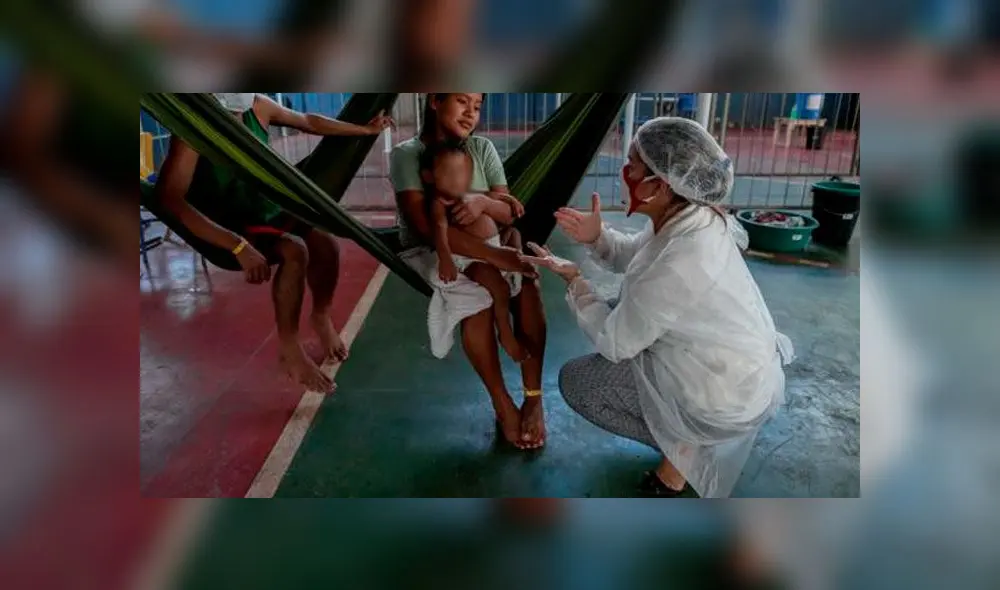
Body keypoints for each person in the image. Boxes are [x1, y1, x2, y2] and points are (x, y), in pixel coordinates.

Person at [523, 117, 794, 497]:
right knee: (620, 306)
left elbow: (615, 341)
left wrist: (574, 280)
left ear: (661, 185)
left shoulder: (683, 259)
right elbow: (633, 255)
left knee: (580, 382)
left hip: (721, 392)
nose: (624, 170)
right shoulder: (687, 217)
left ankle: (685, 448)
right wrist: (596, 237)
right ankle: (687, 436)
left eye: (633, 162)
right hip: (727, 365)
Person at [155, 92, 394, 392]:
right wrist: (236, 246)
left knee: (326, 244)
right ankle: (290, 348)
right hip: (227, 221)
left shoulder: (258, 107)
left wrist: (364, 130)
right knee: (295, 251)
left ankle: (321, 316)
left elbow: (309, 121)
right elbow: (169, 199)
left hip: (262, 207)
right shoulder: (194, 130)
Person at [390, 93, 548, 450]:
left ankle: (534, 397)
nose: (470, 113)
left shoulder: (482, 149)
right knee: (477, 306)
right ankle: (502, 404)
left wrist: (482, 202)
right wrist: (498, 255)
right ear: (434, 101)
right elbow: (425, 228)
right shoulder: (408, 154)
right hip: (437, 250)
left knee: (529, 288)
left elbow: (507, 213)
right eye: (461, 101)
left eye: (477, 106)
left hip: (493, 242)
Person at [420, 139, 528, 362]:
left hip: (494, 245)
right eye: (448, 174)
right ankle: (505, 334)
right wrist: (446, 259)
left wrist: (511, 199)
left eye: (461, 173)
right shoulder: (439, 202)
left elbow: (492, 196)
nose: (456, 179)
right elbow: (439, 231)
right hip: (471, 260)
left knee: (515, 235)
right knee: (499, 287)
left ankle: (518, 265)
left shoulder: (466, 192)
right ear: (429, 177)